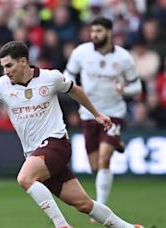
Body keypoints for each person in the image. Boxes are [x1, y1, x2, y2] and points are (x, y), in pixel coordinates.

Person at [0, 40, 143, 228]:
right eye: (3, 67)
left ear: (23, 62)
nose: (6, 71)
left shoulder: (50, 77)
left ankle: (61, 225)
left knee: (24, 178)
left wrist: (96, 114)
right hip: (35, 152)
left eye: (9, 65)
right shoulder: (0, 86)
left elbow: (75, 90)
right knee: (83, 204)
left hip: (57, 143)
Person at [64, 17, 142, 221]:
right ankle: (116, 142)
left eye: (98, 31)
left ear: (108, 32)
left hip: (114, 112)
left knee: (104, 159)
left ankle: (101, 206)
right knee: (94, 166)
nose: (94, 35)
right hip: (89, 113)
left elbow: (137, 87)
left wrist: (123, 89)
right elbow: (68, 75)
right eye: (92, 31)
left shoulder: (124, 57)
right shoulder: (81, 53)